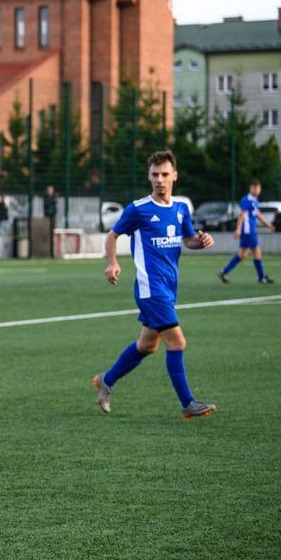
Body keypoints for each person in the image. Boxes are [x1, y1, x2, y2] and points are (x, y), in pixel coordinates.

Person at [93, 150, 216, 420]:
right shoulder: (139, 209)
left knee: (147, 345)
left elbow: (188, 240)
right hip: (151, 289)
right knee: (177, 342)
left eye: (164, 174)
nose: (159, 180)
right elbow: (112, 236)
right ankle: (187, 403)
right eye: (154, 175)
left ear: (174, 176)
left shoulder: (181, 209)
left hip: (169, 288)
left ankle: (106, 381)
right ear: (149, 177)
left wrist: (201, 241)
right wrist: (112, 263)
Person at [218, 179, 275, 284]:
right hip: (247, 231)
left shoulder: (255, 200)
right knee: (252, 252)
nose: (258, 190)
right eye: (256, 188)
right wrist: (238, 229)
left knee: (246, 254)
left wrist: (268, 224)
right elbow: (242, 215)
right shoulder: (246, 200)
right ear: (251, 188)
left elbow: (258, 214)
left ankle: (224, 272)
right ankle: (261, 277)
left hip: (250, 231)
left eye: (259, 188)